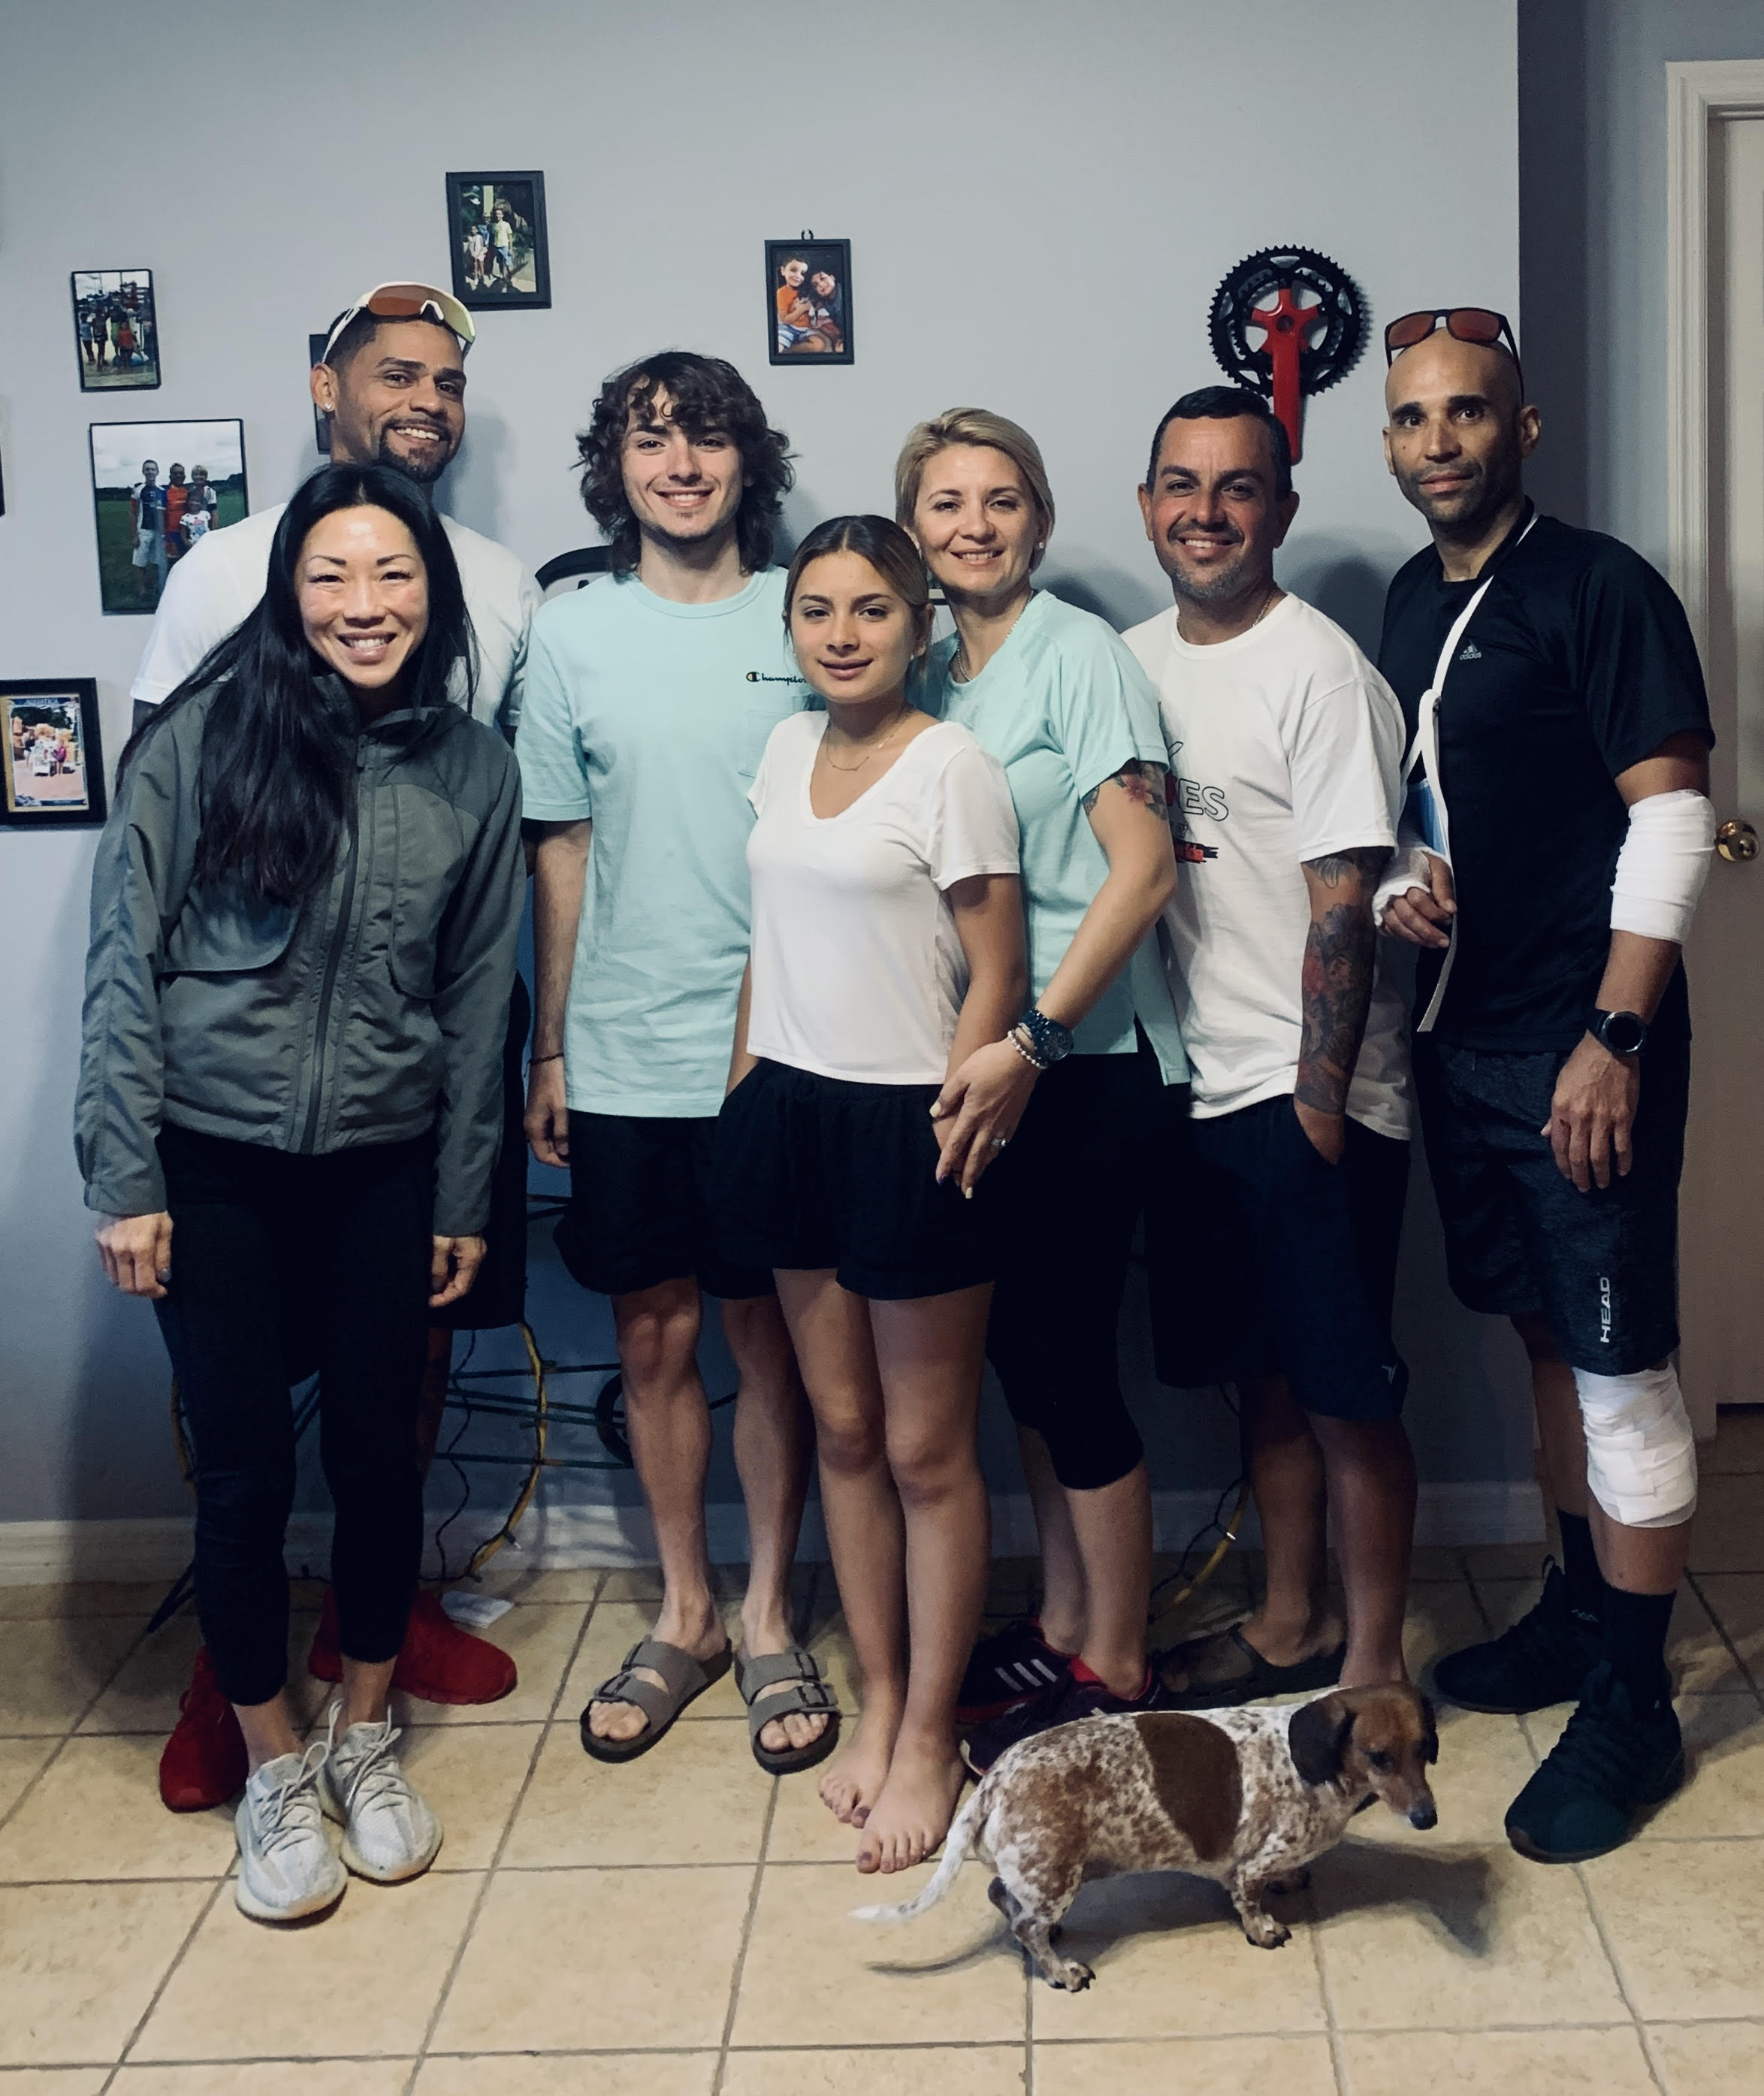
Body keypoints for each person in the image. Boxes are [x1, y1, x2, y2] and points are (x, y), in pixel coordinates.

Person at [77, 464, 526, 1922]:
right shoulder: (200, 742)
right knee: (246, 1476)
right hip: (211, 1175)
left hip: (388, 1174)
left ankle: (364, 1738)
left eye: (392, 576)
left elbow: (475, 1006)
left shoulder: (471, 767)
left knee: (385, 1467)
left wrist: (464, 1194)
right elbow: (123, 973)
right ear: (288, 592)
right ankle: (272, 1763)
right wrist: (125, 1176)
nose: (364, 605)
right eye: (331, 575)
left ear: (433, 596)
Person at [1376, 307, 1716, 1861]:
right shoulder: (1404, 600)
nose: (1436, 439)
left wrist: (1618, 1037)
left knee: (1619, 1362)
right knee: (1536, 1336)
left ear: (1522, 429)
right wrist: (1405, 885)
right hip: (1463, 1038)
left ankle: (1635, 1703)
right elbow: (1438, 804)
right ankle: (1580, 1611)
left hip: (1584, 1045)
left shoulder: (1598, 586)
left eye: (1466, 413)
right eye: (1410, 418)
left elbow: (1670, 815)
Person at [518, 350, 837, 1776]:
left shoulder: (810, 611)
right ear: (618, 468)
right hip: (625, 1050)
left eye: (707, 438)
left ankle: (771, 1610)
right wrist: (553, 1048)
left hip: (787, 1045)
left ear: (744, 461)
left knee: (768, 1338)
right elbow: (563, 847)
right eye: (652, 441)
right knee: (651, 1335)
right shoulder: (570, 630)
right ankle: (688, 1610)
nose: (682, 465)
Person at [717, 515, 1025, 1871]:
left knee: (922, 1448)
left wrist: (961, 1108)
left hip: (913, 1115)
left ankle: (929, 1736)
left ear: (917, 627)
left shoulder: (950, 767)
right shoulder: (783, 749)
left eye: (871, 612)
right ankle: (884, 1697)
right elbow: (768, 943)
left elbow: (1000, 971)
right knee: (839, 1431)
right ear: (790, 628)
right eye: (816, 610)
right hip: (784, 1108)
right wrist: (741, 1092)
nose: (840, 634)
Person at [896, 408, 1188, 1772]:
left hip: (1081, 1066)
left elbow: (1142, 870)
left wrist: (1036, 1045)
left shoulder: (1078, 657)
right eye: (947, 503)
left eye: (1000, 500)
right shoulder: (931, 673)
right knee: (1020, 1360)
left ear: (1042, 518)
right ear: (912, 528)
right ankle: (1065, 1619)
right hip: (980, 1063)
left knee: (1070, 1359)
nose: (974, 524)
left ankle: (1115, 1660)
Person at [1123, 386, 1417, 1708]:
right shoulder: (1127, 663)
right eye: (1180, 485)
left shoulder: (1320, 670)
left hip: (1310, 1095)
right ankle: (1287, 1624)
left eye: (1236, 487)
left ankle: (1368, 1670)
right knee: (1262, 1380)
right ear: (1145, 506)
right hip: (1189, 1089)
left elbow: (1342, 900)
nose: (1205, 511)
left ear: (1279, 510)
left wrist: (1317, 1108)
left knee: (1346, 1391)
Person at [130, 460, 168, 604]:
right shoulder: (138, 491)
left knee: (158, 561)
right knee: (140, 561)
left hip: (159, 533)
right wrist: (134, 535)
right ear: (143, 472)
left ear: (157, 472)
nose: (150, 472)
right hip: (144, 531)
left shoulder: (162, 491)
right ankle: (142, 589)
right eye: (147, 469)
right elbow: (132, 513)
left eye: (153, 469)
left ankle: (157, 587)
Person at [163, 464, 190, 567]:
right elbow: (162, 517)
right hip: (172, 535)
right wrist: (166, 539)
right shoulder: (165, 493)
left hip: (187, 534)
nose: (178, 475)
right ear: (170, 476)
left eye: (181, 473)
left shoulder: (188, 492)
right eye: (175, 473)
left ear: (184, 476)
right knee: (173, 565)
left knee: (188, 563)